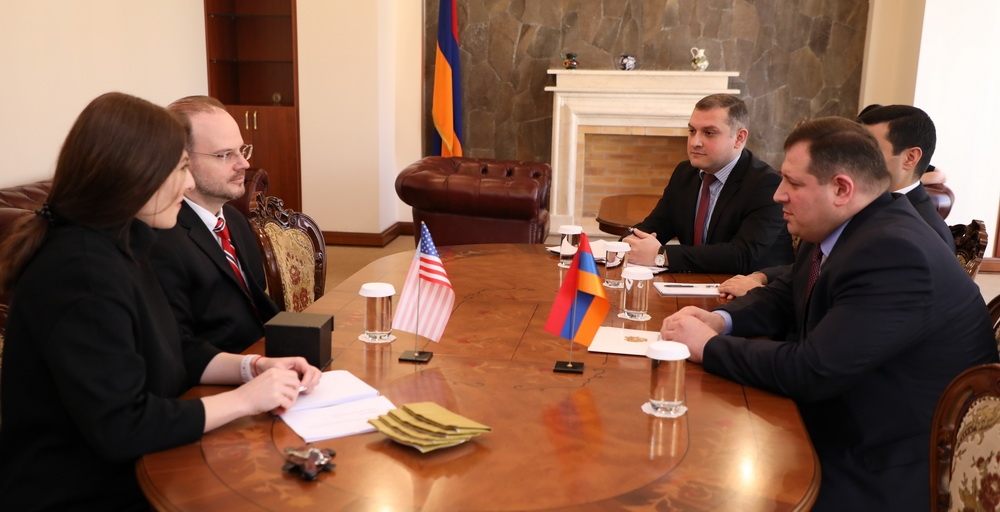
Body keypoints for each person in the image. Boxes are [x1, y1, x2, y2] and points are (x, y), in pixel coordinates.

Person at [0, 92, 321, 511]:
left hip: (138, 463)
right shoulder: (80, 273)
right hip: (82, 489)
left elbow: (174, 347)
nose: (188, 185)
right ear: (134, 174)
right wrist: (245, 400)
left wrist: (253, 367)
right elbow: (122, 427)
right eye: (181, 168)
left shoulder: (123, 243)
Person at [661, 117, 997, 511]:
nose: (778, 195)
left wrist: (708, 346)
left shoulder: (894, 252)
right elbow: (785, 294)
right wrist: (721, 320)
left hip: (886, 462)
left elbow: (813, 370)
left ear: (841, 189)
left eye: (793, 183)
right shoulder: (840, 226)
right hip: (844, 417)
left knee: (710, 484)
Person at [719, 104, 955, 298]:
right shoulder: (846, 209)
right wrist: (762, 277)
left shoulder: (919, 233)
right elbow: (812, 270)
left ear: (910, 157)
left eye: (870, 148)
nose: (855, 157)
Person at [150, 95, 280, 353]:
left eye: (242, 150)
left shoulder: (235, 220)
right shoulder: (162, 238)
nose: (244, 164)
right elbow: (179, 346)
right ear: (181, 160)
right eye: (225, 155)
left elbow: (257, 304)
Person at [623, 93, 793, 274]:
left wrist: (662, 255)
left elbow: (741, 255)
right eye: (692, 131)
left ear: (739, 138)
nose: (695, 142)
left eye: (709, 133)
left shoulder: (766, 184)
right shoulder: (685, 173)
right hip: (696, 282)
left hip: (753, 287)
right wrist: (627, 244)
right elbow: (655, 226)